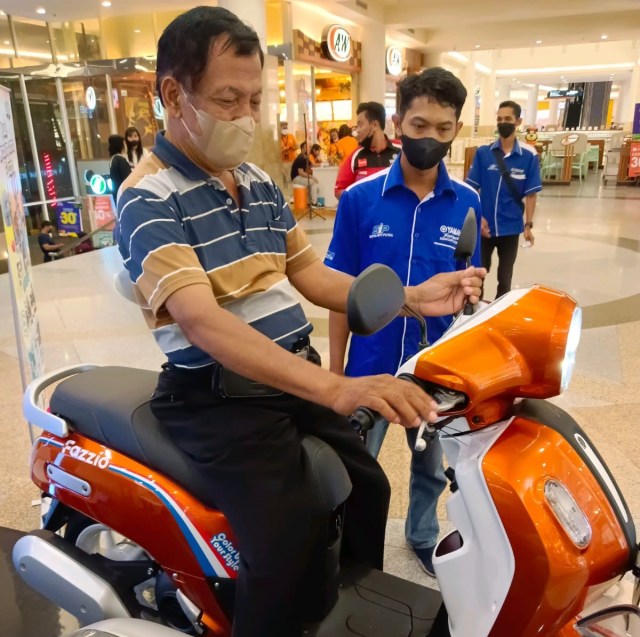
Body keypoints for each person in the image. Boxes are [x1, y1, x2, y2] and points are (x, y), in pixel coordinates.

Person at [115, 8, 485, 636]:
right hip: (217, 400)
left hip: (288, 381)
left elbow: (314, 276)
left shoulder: (258, 182)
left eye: (255, 100)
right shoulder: (147, 196)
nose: (245, 116)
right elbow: (202, 323)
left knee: (367, 486)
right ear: (174, 96)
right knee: (282, 539)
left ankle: (345, 614)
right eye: (228, 99)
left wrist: (413, 298)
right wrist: (337, 387)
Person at [324, 67, 482, 577]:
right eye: (419, 125)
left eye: (443, 128)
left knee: (431, 466)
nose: (430, 137)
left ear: (457, 129)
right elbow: (337, 293)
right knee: (352, 465)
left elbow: (467, 289)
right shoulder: (359, 200)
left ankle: (422, 535)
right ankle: (345, 546)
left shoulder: (468, 203)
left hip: (437, 369)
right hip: (369, 364)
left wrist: (470, 296)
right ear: (397, 123)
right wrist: (335, 369)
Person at [466, 100, 541, 299]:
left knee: (505, 277)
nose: (502, 123)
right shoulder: (484, 153)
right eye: (499, 119)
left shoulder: (528, 156)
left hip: (511, 227)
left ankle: (500, 309)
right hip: (485, 228)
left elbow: (531, 194)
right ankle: (476, 309)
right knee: (478, 273)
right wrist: (478, 218)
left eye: (507, 119)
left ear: (518, 121)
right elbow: (471, 189)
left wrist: (528, 225)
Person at [334, 101, 401, 199]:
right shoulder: (355, 156)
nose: (357, 131)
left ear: (374, 125)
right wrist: (361, 198)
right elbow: (339, 190)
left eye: (360, 125)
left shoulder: (402, 150)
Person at [290, 141, 321, 206]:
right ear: (302, 149)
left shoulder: (305, 157)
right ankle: (314, 202)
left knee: (312, 182)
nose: (309, 149)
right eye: (307, 147)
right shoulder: (300, 158)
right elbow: (301, 172)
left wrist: (323, 165)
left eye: (309, 147)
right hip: (296, 177)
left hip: (299, 176)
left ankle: (309, 201)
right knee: (313, 182)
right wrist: (312, 177)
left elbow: (312, 165)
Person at [108, 134, 132, 202]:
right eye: (125, 144)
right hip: (125, 197)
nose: (126, 146)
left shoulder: (113, 160)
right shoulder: (121, 160)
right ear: (120, 145)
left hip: (117, 196)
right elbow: (128, 180)